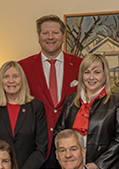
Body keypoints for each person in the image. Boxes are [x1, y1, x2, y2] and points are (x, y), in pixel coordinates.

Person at [53, 53, 119, 169]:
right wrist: (67, 158)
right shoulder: (71, 101)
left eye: (97, 72)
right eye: (87, 72)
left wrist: (98, 164)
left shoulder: (117, 101)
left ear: (105, 75)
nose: (91, 77)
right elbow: (59, 133)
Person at [19, 15, 82, 159]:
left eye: (55, 32)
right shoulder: (23, 67)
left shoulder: (80, 65)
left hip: (71, 149)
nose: (50, 37)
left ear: (63, 36)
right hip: (35, 148)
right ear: (39, 36)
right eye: (45, 33)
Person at [0, 61, 48, 169]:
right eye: (6, 76)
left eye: (15, 76)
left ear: (22, 80)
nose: (11, 81)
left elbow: (41, 147)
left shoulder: (36, 106)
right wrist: (2, 168)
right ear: (1, 81)